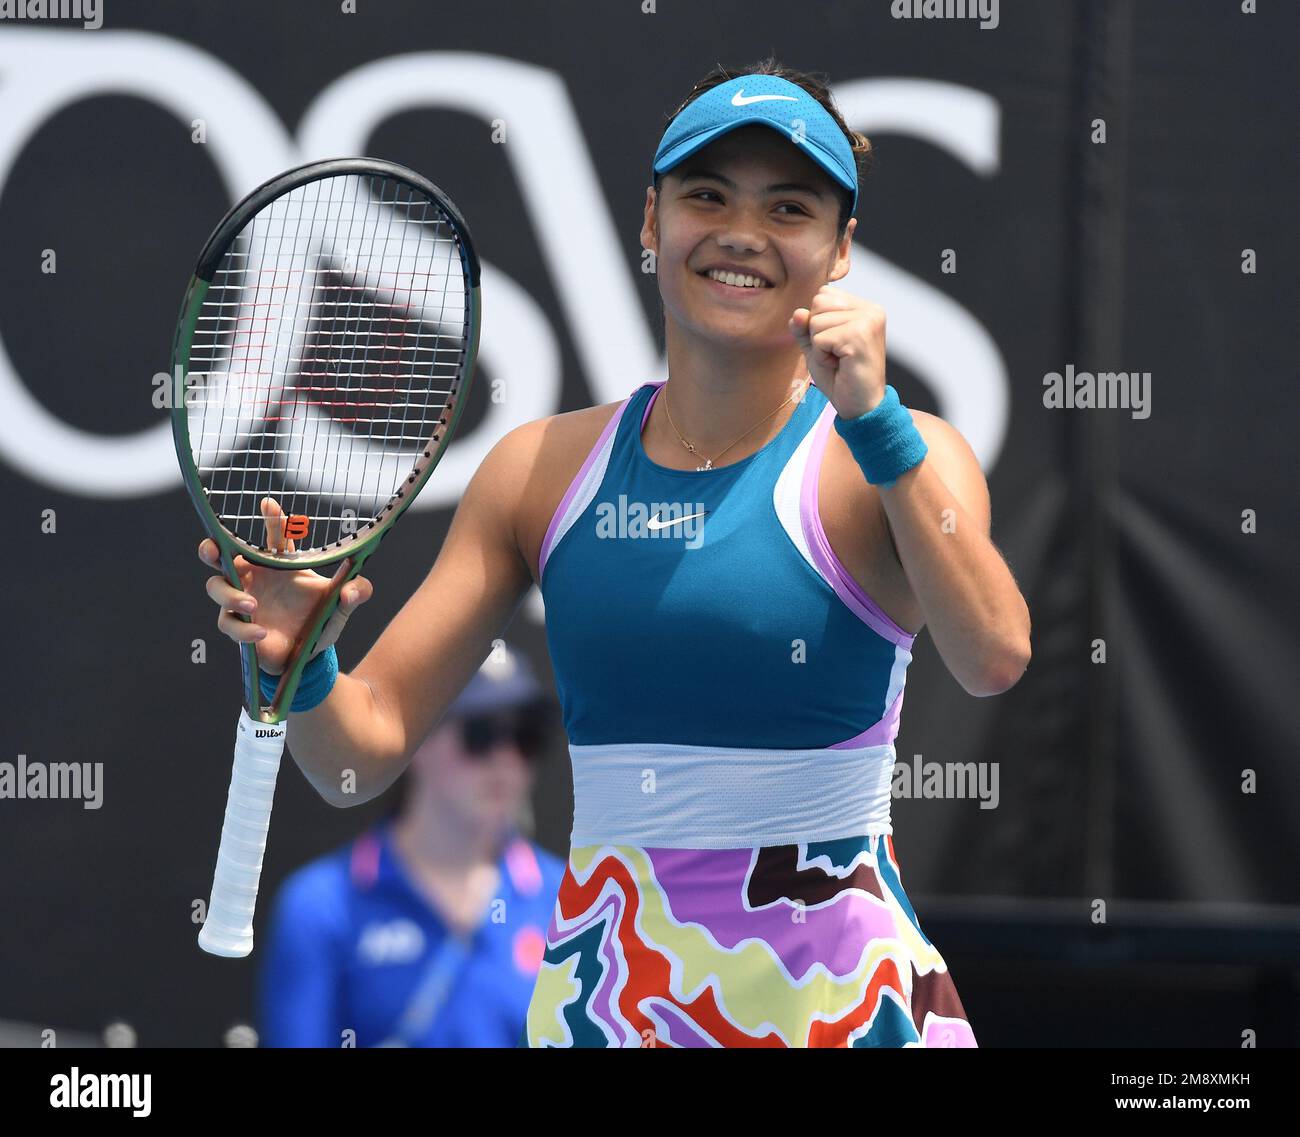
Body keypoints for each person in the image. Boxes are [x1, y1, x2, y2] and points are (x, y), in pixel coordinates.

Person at [200, 56, 1031, 1048]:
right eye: (707, 195)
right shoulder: (537, 474)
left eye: (789, 209)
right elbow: (359, 759)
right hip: (611, 1013)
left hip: (850, 1016)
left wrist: (876, 422)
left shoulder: (900, 455)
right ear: (651, 222)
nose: (740, 234)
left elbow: (992, 660)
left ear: (840, 248)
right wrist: (302, 663)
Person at [257, 644, 564, 1047]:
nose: (506, 759)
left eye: (526, 737)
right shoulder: (321, 904)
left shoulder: (570, 900)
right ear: (417, 737)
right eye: (481, 734)